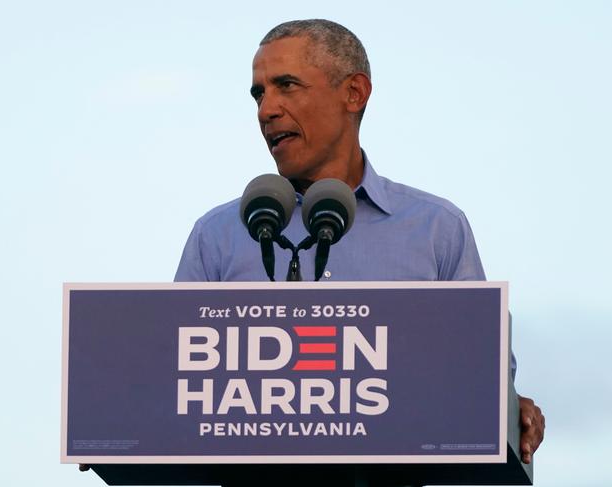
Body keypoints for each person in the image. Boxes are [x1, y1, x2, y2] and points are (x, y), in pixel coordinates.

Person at [174, 19, 544, 465]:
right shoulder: (217, 235)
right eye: (258, 93)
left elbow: (480, 379)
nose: (266, 109)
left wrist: (508, 410)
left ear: (354, 93)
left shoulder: (435, 228)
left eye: (286, 86)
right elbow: (177, 385)